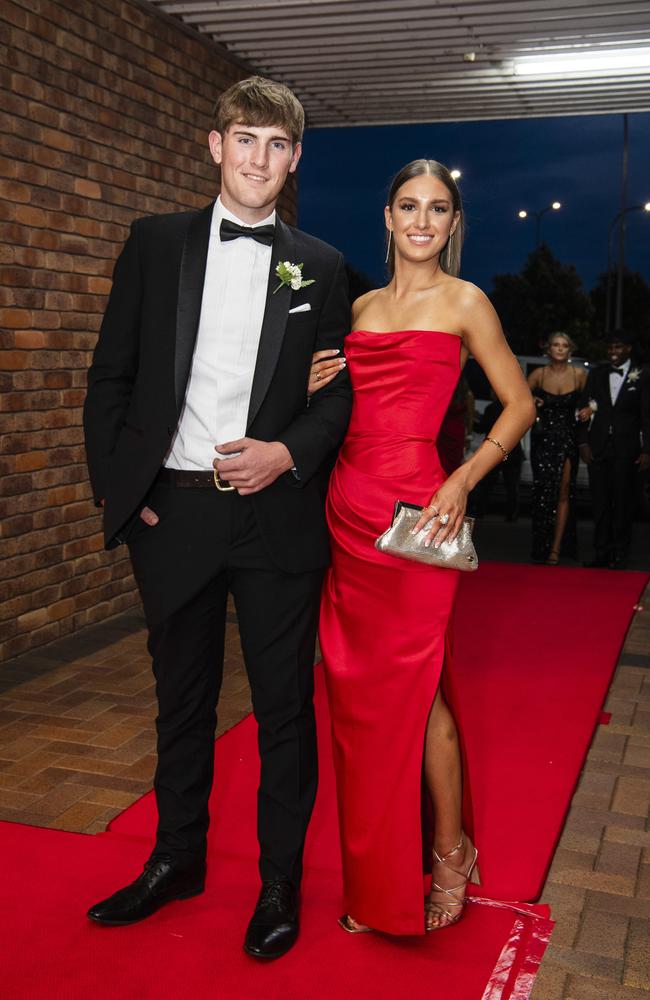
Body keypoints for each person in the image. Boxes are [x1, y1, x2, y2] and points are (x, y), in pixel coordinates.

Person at [83, 76, 352, 960]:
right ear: (214, 145)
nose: (258, 160)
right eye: (245, 140)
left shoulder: (321, 263)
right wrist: (128, 496)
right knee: (181, 702)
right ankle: (176, 859)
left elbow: (335, 396)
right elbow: (111, 382)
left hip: (277, 518)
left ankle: (279, 884)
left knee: (283, 711)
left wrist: (290, 453)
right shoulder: (154, 244)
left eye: (277, 145)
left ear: (295, 158)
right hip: (177, 516)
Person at [317, 159, 535, 935]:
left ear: (452, 224)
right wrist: (318, 384)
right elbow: (348, 405)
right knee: (357, 705)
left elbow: (519, 402)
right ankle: (376, 880)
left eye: (437, 210)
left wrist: (464, 480)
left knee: (422, 695)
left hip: (420, 517)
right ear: (386, 216)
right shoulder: (361, 306)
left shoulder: (465, 301)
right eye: (408, 206)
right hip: (348, 513)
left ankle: (449, 852)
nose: (421, 221)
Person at [578, 330, 650, 569]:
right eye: (610, 348)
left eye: (618, 348)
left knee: (623, 503)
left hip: (626, 449)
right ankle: (601, 552)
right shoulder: (597, 373)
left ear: (628, 348)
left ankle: (619, 552)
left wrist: (647, 450)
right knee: (599, 503)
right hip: (598, 448)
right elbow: (584, 409)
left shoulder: (642, 375)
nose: (613, 352)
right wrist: (583, 443)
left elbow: (646, 416)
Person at [527, 333, 587, 564]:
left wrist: (589, 410)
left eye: (564, 345)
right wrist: (532, 400)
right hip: (542, 440)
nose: (560, 349)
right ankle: (541, 545)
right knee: (542, 493)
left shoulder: (580, 375)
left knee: (563, 492)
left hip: (568, 439)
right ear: (548, 349)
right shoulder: (538, 375)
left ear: (569, 350)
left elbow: (593, 401)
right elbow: (519, 398)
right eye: (555, 345)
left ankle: (556, 548)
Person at [470, 394, 524, 521]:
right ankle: (512, 514)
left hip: (494, 451)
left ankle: (481, 511)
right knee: (511, 485)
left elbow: (482, 428)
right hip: (512, 450)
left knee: (487, 483)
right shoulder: (514, 408)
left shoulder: (492, 408)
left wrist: (471, 418)